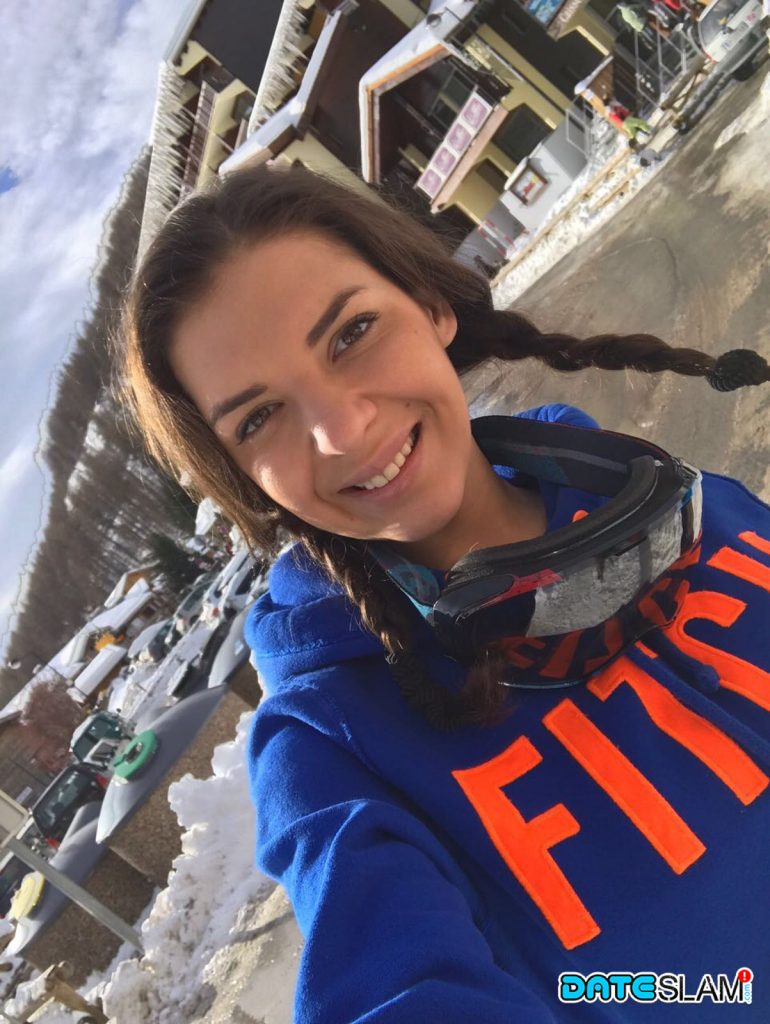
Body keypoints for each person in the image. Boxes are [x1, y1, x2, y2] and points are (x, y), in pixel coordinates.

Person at [119, 163, 770, 1022]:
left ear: (431, 304)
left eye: (351, 332)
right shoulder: (330, 748)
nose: (342, 430)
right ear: (244, 479)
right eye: (259, 418)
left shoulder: (673, 498)